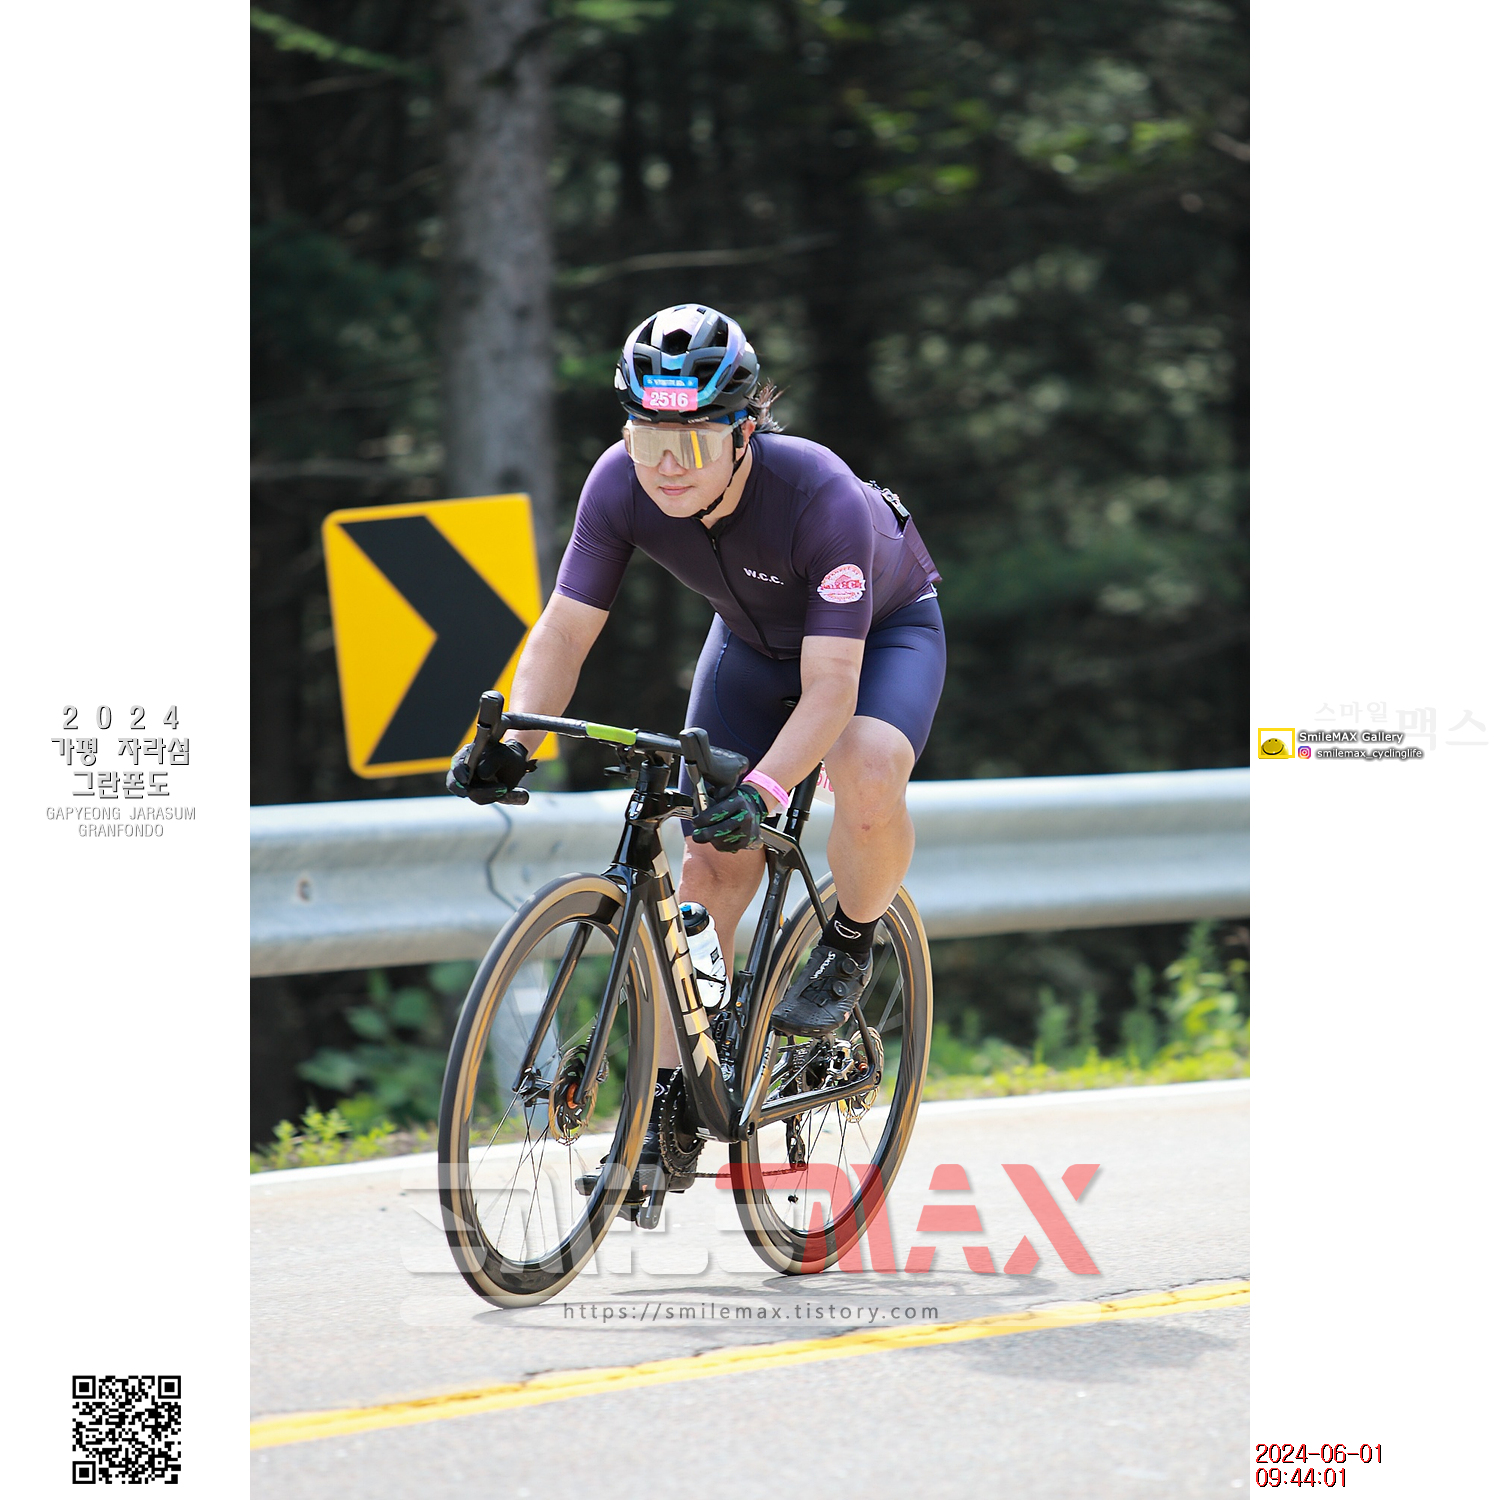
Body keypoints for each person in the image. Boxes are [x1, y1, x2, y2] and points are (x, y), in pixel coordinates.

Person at [450, 303, 944, 1195]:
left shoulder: (820, 495)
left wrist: (765, 788)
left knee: (864, 766)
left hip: (879, 639)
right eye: (647, 438)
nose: (667, 466)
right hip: (750, 650)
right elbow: (564, 630)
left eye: (694, 442)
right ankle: (671, 1106)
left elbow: (833, 688)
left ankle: (850, 938)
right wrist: (515, 742)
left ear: (745, 432)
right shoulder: (618, 482)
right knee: (708, 870)